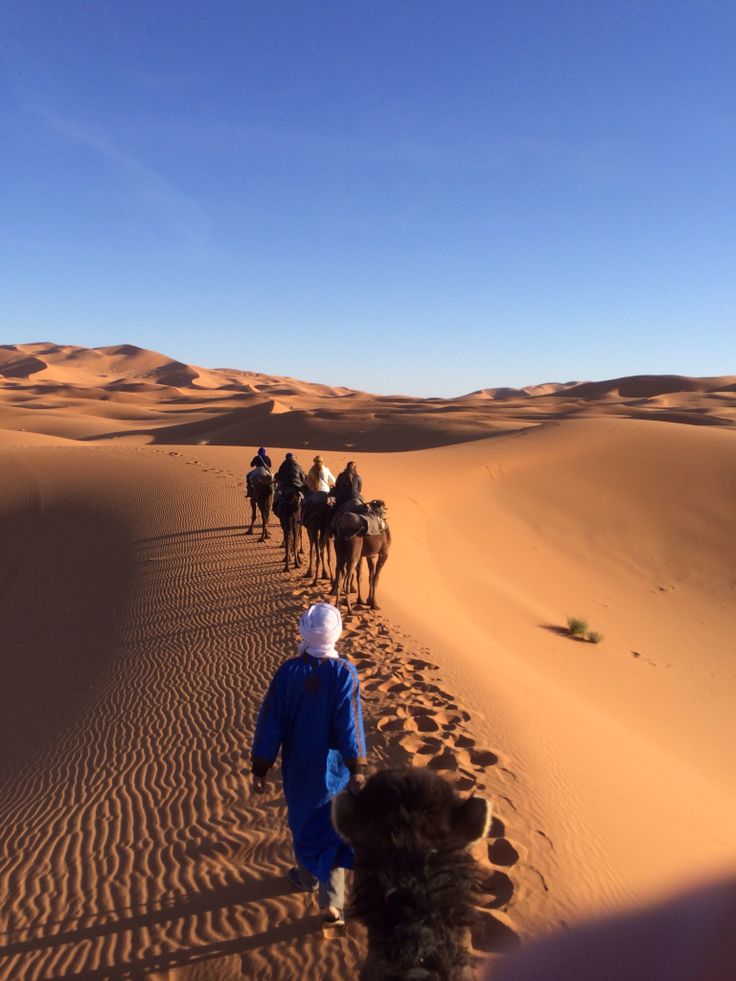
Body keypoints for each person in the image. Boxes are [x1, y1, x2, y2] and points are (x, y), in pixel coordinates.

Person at [250, 603, 367, 926]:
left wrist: (261, 766)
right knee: (333, 826)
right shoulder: (345, 673)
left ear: (304, 632)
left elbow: (270, 721)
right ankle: (331, 900)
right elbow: (350, 726)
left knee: (303, 822)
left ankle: (308, 877)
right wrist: (356, 766)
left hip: (299, 767)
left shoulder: (288, 672)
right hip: (335, 769)